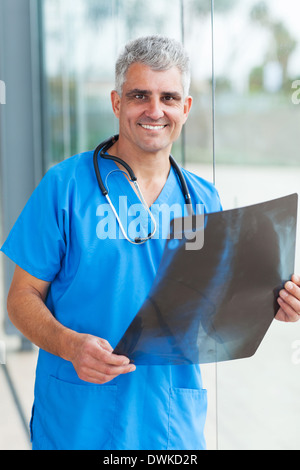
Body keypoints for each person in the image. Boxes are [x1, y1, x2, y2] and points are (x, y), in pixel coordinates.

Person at [1, 35, 300, 451]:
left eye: (169, 97)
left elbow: (216, 308)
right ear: (116, 102)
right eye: (139, 95)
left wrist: (273, 305)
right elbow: (20, 298)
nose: (154, 110)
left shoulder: (203, 199)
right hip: (78, 421)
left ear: (186, 108)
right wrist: (70, 346)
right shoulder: (64, 187)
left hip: (169, 425)